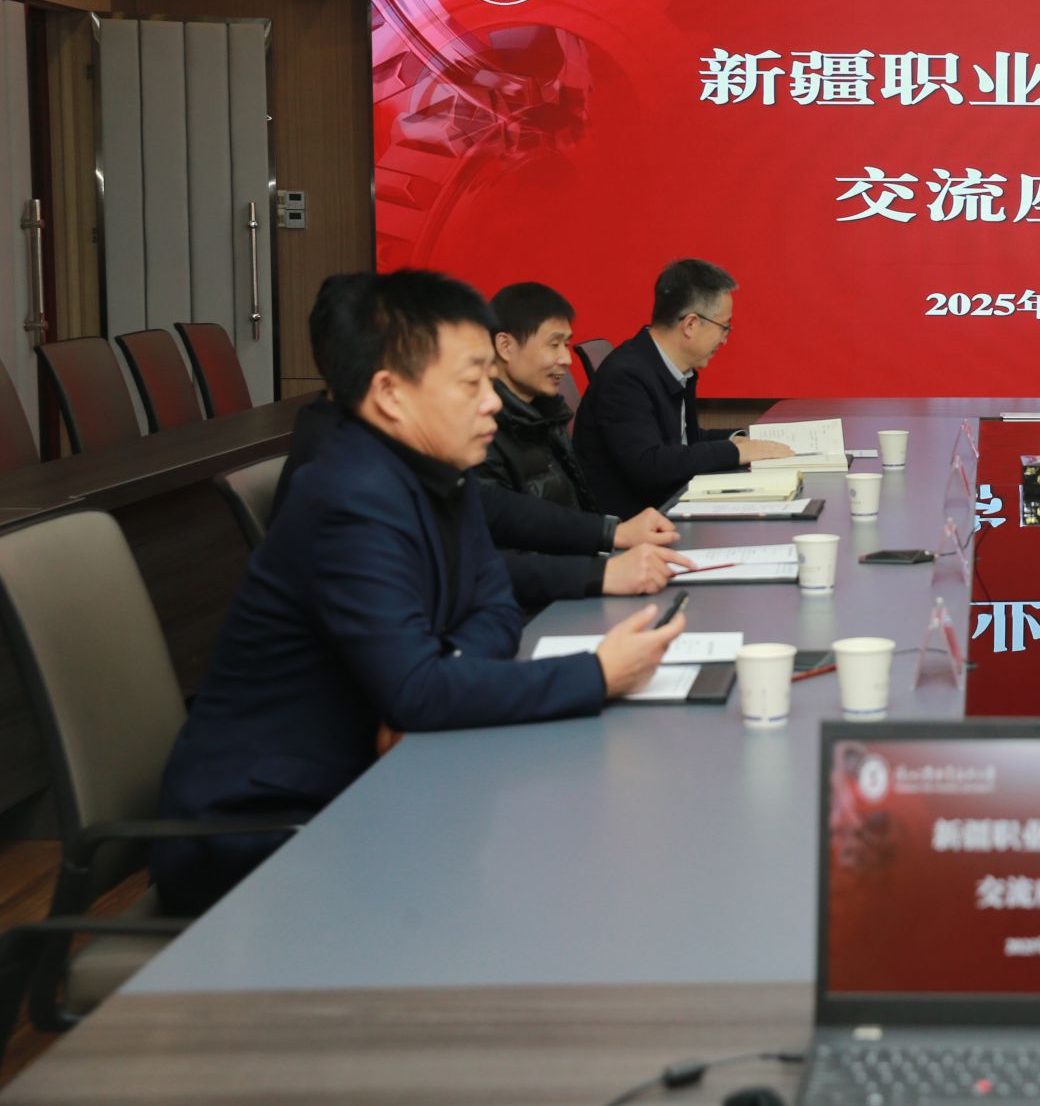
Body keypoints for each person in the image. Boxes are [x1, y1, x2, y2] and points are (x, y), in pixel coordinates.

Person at [154, 270, 687, 914]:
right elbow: (416, 689)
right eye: (470, 383)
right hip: (265, 829)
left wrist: (440, 677)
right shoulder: (346, 497)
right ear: (391, 395)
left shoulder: (441, 471)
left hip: (376, 784)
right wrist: (596, 674)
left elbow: (493, 609)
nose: (491, 402)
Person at [278, 274, 681, 609]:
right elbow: (458, 591)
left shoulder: (379, 439)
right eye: (468, 381)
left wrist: (609, 534)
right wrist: (601, 572)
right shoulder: (344, 475)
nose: (488, 401)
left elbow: (490, 514)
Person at [575, 258, 793, 515]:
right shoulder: (626, 376)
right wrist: (734, 451)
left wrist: (739, 439)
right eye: (724, 327)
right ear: (690, 324)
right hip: (642, 524)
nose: (724, 339)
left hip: (670, 507)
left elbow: (682, 440)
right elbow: (650, 465)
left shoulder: (669, 366)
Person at [480, 280, 597, 511]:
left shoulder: (547, 413)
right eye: (554, 344)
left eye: (566, 344)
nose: (566, 359)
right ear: (505, 346)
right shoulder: (483, 433)